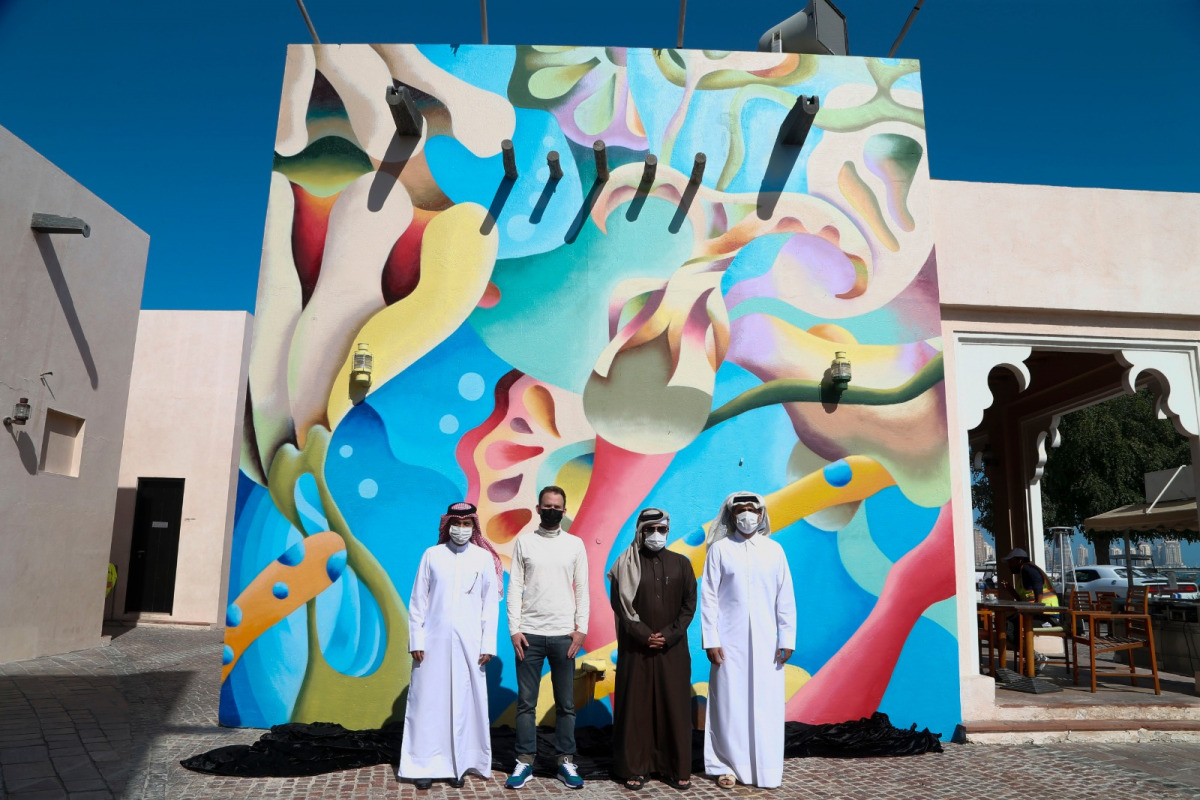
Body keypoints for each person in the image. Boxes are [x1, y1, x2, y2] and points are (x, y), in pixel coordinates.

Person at [400, 502, 503, 790]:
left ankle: (459, 765)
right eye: (456, 523)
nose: (461, 529)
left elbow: (489, 605)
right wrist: (416, 639)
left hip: (471, 645)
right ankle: (423, 765)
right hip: (432, 643)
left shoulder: (483, 558)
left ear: (474, 526)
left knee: (465, 704)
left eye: (467, 524)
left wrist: (487, 643)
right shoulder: (432, 555)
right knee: (427, 703)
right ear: (448, 525)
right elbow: (418, 601)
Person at [700, 492, 796, 790]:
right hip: (728, 643)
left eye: (752, 509)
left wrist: (787, 637)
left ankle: (766, 768)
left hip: (768, 643)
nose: (747, 514)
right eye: (740, 509)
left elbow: (785, 597)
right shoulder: (720, 550)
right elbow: (709, 598)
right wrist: (711, 639)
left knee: (766, 704)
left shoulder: (774, 550)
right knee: (728, 705)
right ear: (731, 515)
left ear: (761, 513)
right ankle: (724, 765)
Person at [505, 485, 589, 790]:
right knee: (526, 704)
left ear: (564, 511)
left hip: (564, 635)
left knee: (566, 704)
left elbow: (582, 587)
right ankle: (524, 761)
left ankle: (565, 761)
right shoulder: (525, 543)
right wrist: (514, 629)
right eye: (547, 506)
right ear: (538, 509)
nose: (552, 511)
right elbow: (515, 586)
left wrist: (581, 629)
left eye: (557, 507)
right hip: (529, 635)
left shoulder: (575, 544)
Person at [608, 508, 697, 791]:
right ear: (640, 531)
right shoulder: (625, 565)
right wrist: (644, 635)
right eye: (650, 529)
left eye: (662, 529)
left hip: (673, 650)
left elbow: (689, 606)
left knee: (674, 706)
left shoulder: (681, 564)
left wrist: (668, 635)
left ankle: (675, 767)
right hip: (637, 650)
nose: (656, 535)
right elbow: (621, 607)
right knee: (637, 707)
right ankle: (636, 767)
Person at [998, 547, 1061, 671]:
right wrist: (1011, 590)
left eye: (1011, 562)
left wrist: (1038, 605)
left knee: (1007, 627)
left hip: (1048, 617)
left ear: (1019, 560)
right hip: (1037, 613)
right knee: (1007, 626)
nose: (1009, 565)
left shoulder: (1028, 569)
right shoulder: (1022, 574)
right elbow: (1023, 600)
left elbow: (1037, 582)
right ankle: (1033, 657)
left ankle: (1035, 657)